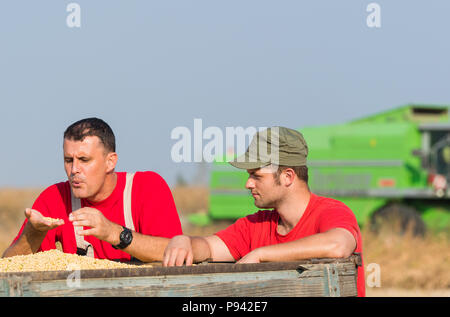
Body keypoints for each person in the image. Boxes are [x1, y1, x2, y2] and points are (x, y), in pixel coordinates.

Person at [162, 126, 365, 297]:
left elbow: (338, 245)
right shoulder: (255, 225)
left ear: (287, 176)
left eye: (256, 176)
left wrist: (261, 254)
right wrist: (184, 241)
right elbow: (208, 247)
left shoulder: (331, 212)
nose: (248, 184)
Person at [2, 118, 182, 262]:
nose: (74, 170)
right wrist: (33, 233)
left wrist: (114, 233)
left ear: (110, 161)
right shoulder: (54, 197)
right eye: (68, 160)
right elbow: (8, 269)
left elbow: (176, 252)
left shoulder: (147, 188)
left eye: (84, 159)